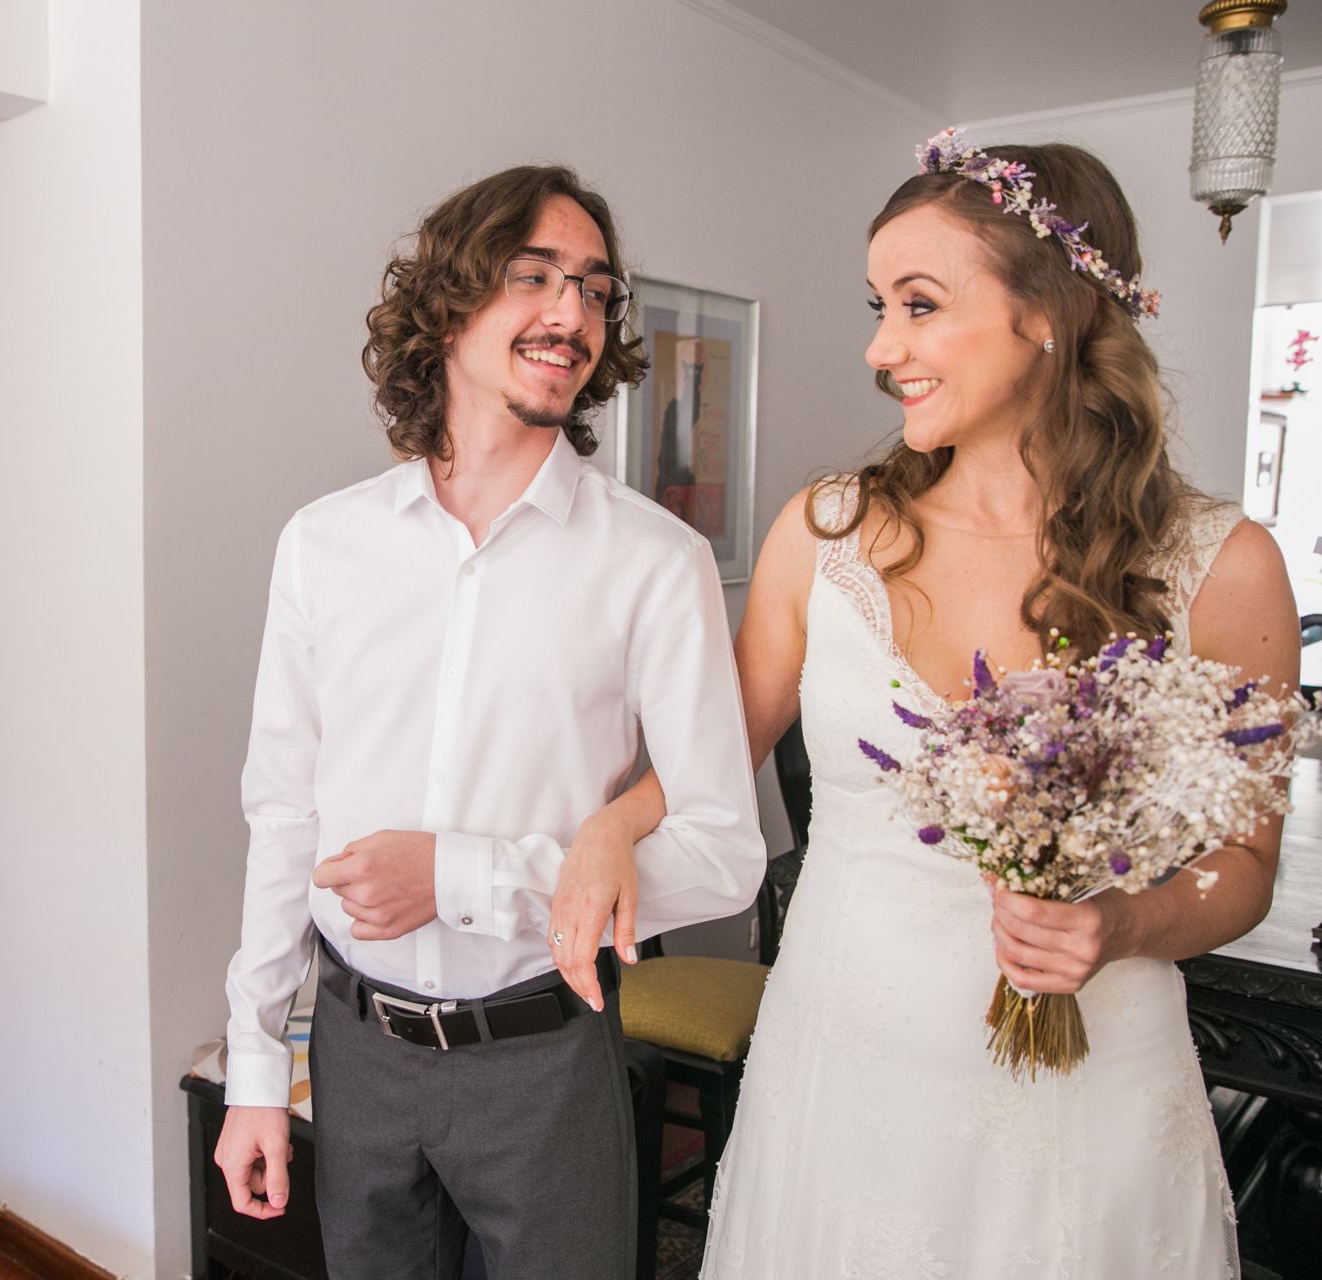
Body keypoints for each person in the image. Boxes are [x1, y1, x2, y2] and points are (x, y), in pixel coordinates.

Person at [567, 134, 1300, 1275]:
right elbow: (715, 753)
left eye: (919, 304)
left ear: (1046, 311)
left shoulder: (1222, 563)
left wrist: (1121, 925)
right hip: (847, 1075)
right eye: (878, 305)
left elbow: (1245, 861)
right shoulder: (828, 533)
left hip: (1090, 1086)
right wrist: (614, 822)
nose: (879, 347)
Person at [211, 165, 766, 1279]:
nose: (572, 315)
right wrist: (256, 1066)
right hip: (357, 1054)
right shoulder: (324, 544)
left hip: (544, 1063)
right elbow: (283, 813)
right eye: (534, 277)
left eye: (596, 291)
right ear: (449, 303)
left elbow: (724, 851)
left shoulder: (656, 561)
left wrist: (464, 876)